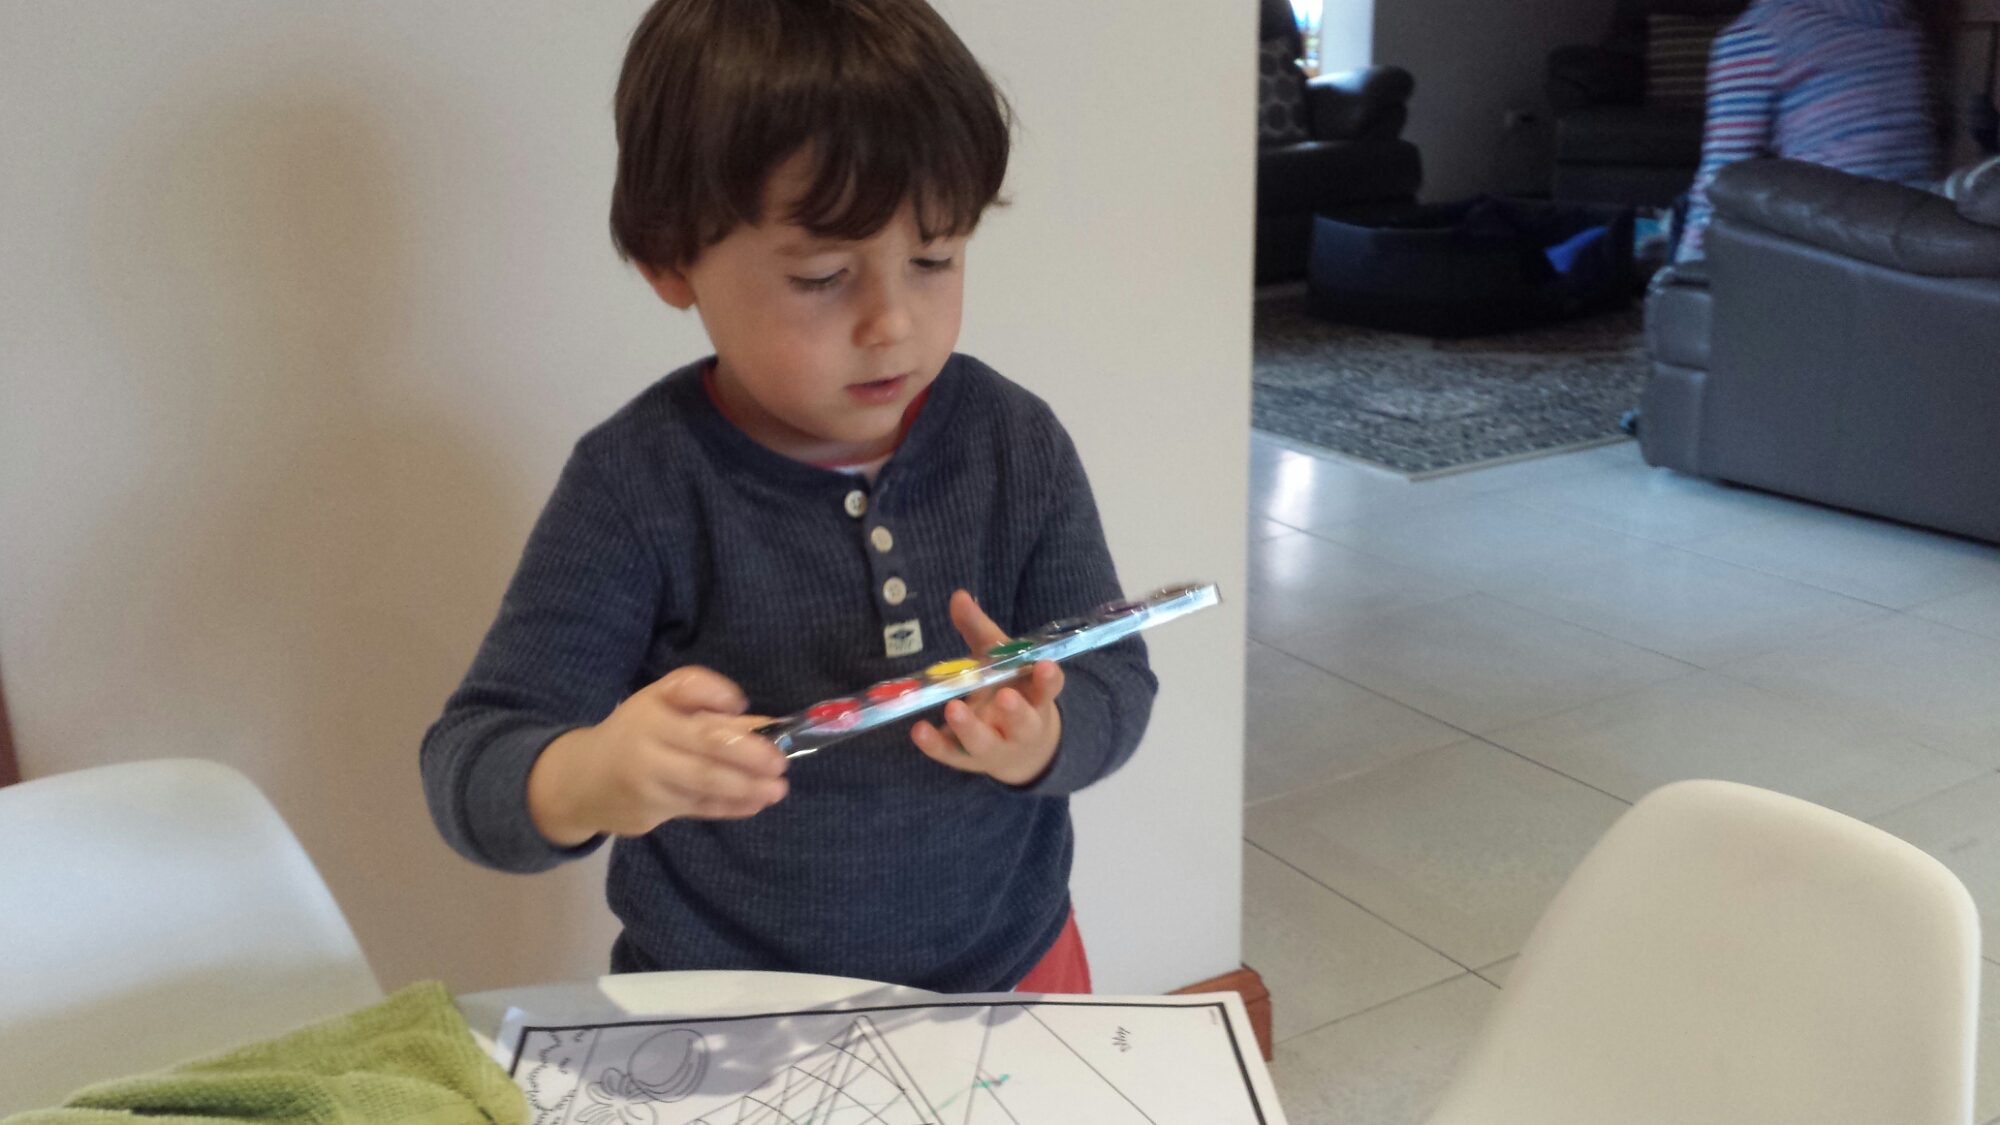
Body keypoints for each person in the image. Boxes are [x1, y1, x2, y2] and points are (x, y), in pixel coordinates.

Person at [418, 0, 1157, 994]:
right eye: (822, 276)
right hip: (724, 1010)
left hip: (1011, 971)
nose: (892, 322)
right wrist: (590, 775)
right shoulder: (638, 485)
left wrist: (1044, 736)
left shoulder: (1014, 443)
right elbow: (472, 762)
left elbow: (1115, 676)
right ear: (669, 258)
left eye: (934, 259)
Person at [1677, 0, 1938, 261]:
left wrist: (1686, 269)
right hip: (1915, 230)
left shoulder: (1760, 33)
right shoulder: (1900, 22)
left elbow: (1721, 176)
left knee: (1688, 210)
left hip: (1828, 239)